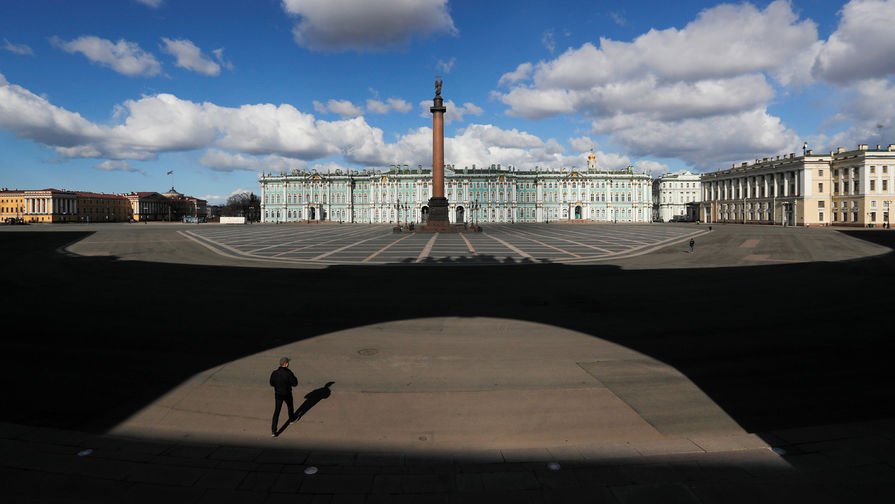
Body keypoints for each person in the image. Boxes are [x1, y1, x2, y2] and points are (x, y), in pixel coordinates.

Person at [270, 357, 298, 437]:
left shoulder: (274, 373)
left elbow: (271, 383)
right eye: (288, 362)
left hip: (278, 394)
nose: (289, 363)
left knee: (277, 411)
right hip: (287, 393)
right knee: (290, 406)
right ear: (285, 364)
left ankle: (273, 431)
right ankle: (291, 419)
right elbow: (295, 383)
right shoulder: (289, 373)